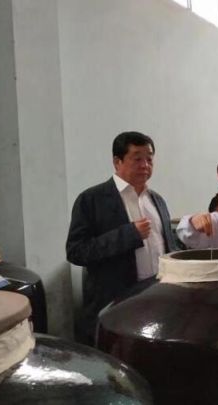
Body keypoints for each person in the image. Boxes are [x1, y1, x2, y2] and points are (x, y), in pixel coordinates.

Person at [66, 131, 176, 345]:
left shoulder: (157, 200)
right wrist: (128, 235)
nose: (145, 165)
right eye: (137, 158)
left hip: (157, 299)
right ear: (117, 162)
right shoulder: (92, 199)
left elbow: (168, 248)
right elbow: (76, 251)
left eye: (149, 159)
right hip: (116, 304)